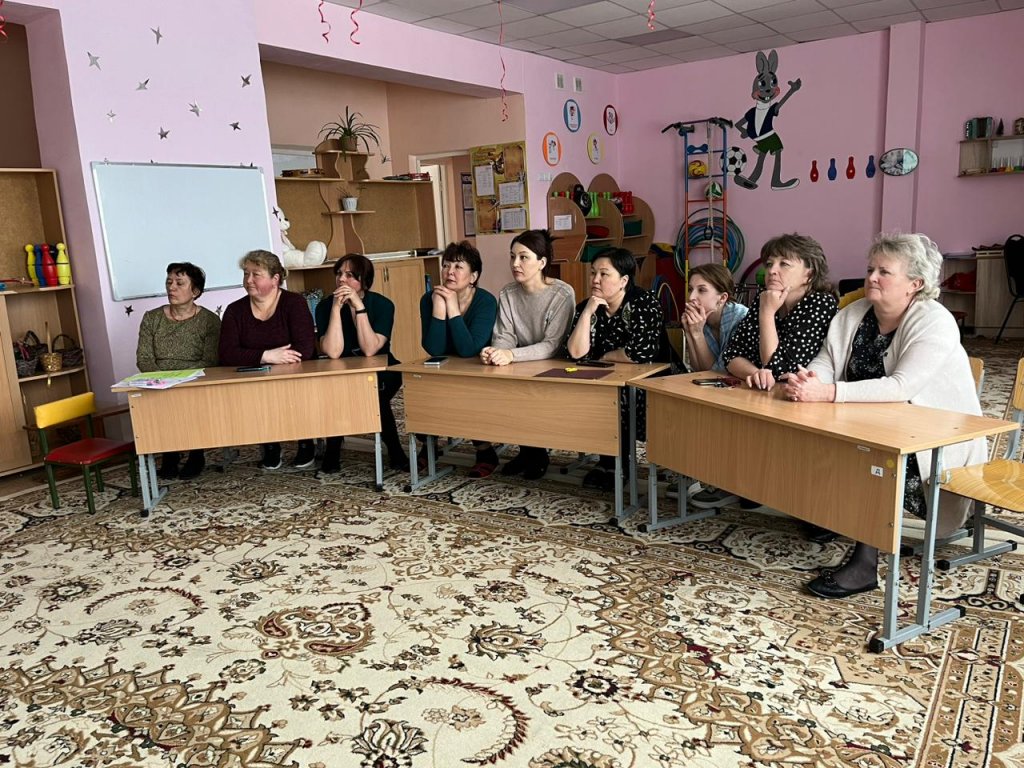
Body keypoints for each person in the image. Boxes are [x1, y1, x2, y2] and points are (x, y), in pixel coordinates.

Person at [781, 233, 986, 599]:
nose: (871, 277)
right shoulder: (852, 314)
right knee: (809, 433)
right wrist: (808, 380)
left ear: (915, 284)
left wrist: (827, 393)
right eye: (870, 269)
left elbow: (900, 387)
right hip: (869, 423)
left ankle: (865, 563)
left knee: (871, 458)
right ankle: (825, 514)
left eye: (884, 272)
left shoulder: (935, 321)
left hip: (934, 438)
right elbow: (826, 362)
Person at [692, 233, 838, 509]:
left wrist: (767, 314)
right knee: (721, 405)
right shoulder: (764, 297)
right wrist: (754, 373)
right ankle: (739, 482)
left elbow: (781, 369)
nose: (772, 270)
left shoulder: (820, 304)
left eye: (784, 264)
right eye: (770, 263)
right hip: (766, 390)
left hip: (805, 398)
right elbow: (731, 356)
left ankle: (762, 486)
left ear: (809, 273)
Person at [478, 229, 575, 480]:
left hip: (555, 365)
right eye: (512, 257)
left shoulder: (562, 294)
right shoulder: (508, 293)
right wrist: (496, 351)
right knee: (503, 388)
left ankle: (538, 454)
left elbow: (552, 345)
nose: (515, 264)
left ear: (542, 262)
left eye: (523, 257)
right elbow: (504, 334)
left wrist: (510, 355)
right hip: (520, 362)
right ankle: (527, 451)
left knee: (531, 393)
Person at [566, 247, 664, 490]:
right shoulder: (588, 306)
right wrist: (587, 313)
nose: (595, 280)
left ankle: (621, 464)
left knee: (619, 397)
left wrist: (604, 356)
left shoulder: (643, 303)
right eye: (593, 273)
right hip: (607, 379)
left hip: (655, 379)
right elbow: (576, 353)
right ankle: (608, 460)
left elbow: (640, 353)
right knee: (594, 394)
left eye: (604, 274)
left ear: (623, 280)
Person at [218, 249, 316, 470]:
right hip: (254, 378)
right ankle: (270, 444)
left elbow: (305, 348)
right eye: (246, 273)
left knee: (294, 389)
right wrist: (266, 356)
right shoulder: (235, 310)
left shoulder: (294, 303)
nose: (248, 280)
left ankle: (305, 441)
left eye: (256, 274)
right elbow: (226, 353)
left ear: (275, 279)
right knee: (258, 393)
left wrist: (263, 358)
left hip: (293, 374)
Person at [316, 254, 408, 472]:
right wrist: (336, 309)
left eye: (350, 275)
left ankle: (394, 449)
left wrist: (359, 307)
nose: (342, 280)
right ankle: (333, 449)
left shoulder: (383, 305)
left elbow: (370, 349)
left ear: (364, 280)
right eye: (339, 274)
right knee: (337, 392)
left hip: (383, 367)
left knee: (375, 394)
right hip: (342, 369)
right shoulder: (324, 307)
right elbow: (333, 352)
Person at [419, 241, 498, 473]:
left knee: (467, 389)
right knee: (421, 384)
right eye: (446, 265)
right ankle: (429, 445)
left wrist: (452, 309)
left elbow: (469, 349)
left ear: (473, 276)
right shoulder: (429, 299)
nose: (449, 272)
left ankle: (485, 449)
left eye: (458, 266)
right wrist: (439, 308)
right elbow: (434, 348)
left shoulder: (486, 301)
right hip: (444, 366)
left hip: (478, 366)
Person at [136, 262, 221, 480]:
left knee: (191, 401)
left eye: (179, 283)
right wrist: (162, 380)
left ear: (195, 291)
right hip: (158, 381)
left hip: (194, 381)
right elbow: (144, 358)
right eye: (169, 282)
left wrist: (180, 379)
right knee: (158, 401)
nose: (171, 287)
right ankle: (170, 456)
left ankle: (196, 455)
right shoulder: (151, 318)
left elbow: (210, 360)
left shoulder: (210, 321)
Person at [682, 262, 748, 373]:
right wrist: (689, 331)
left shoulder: (741, 318)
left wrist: (697, 333)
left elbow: (718, 373)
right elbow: (698, 370)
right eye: (690, 289)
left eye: (701, 290)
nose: (691, 297)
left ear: (722, 298)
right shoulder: (700, 320)